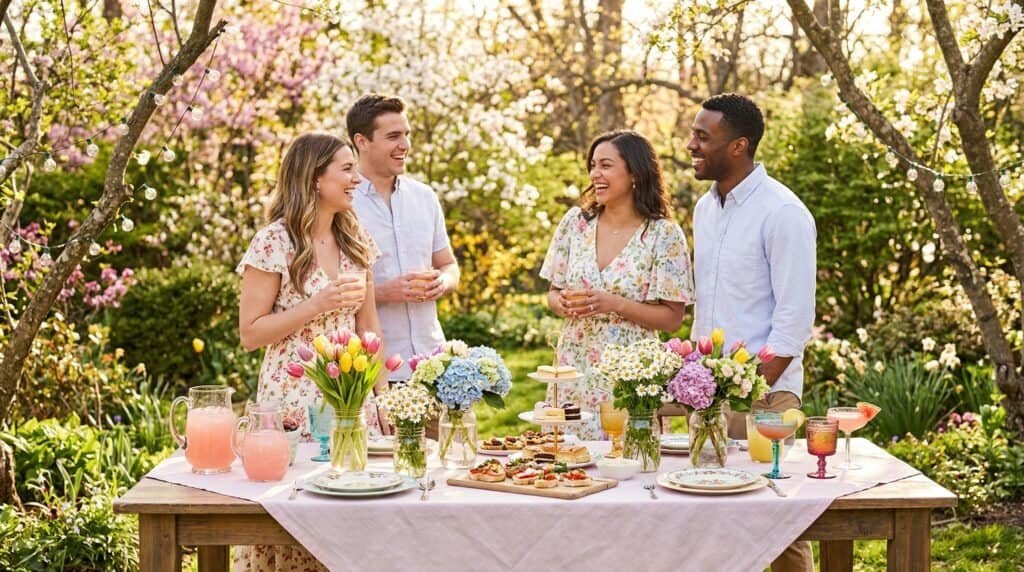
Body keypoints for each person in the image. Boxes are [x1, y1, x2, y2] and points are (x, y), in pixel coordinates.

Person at [235, 132, 388, 572]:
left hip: (350, 396)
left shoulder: (356, 238)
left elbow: (369, 327)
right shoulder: (273, 242)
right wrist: (316, 305)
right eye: (346, 169)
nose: (357, 178)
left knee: (355, 513)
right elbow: (250, 333)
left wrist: (382, 398)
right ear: (315, 178)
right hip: (292, 400)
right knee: (294, 515)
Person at [689, 93, 817, 572]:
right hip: (707, 393)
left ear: (738, 145)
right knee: (710, 518)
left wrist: (748, 390)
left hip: (766, 395)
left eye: (703, 136)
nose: (691, 144)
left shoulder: (782, 212)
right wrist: (704, 386)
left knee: (776, 523)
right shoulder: (706, 209)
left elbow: (793, 319)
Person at [540, 130, 695, 439]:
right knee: (565, 460)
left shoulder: (663, 235)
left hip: (630, 374)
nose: (595, 174)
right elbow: (552, 294)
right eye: (593, 165)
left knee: (627, 461)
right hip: (573, 368)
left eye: (606, 165)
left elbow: (673, 318)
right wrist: (563, 303)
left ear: (635, 172)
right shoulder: (575, 224)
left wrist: (615, 304)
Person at [347, 95, 459, 390]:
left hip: (434, 365)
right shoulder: (343, 204)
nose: (405, 145)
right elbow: (326, 289)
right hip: (373, 370)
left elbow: (448, 264)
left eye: (406, 135)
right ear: (362, 141)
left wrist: (443, 282)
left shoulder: (424, 197)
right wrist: (383, 292)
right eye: (393, 136)